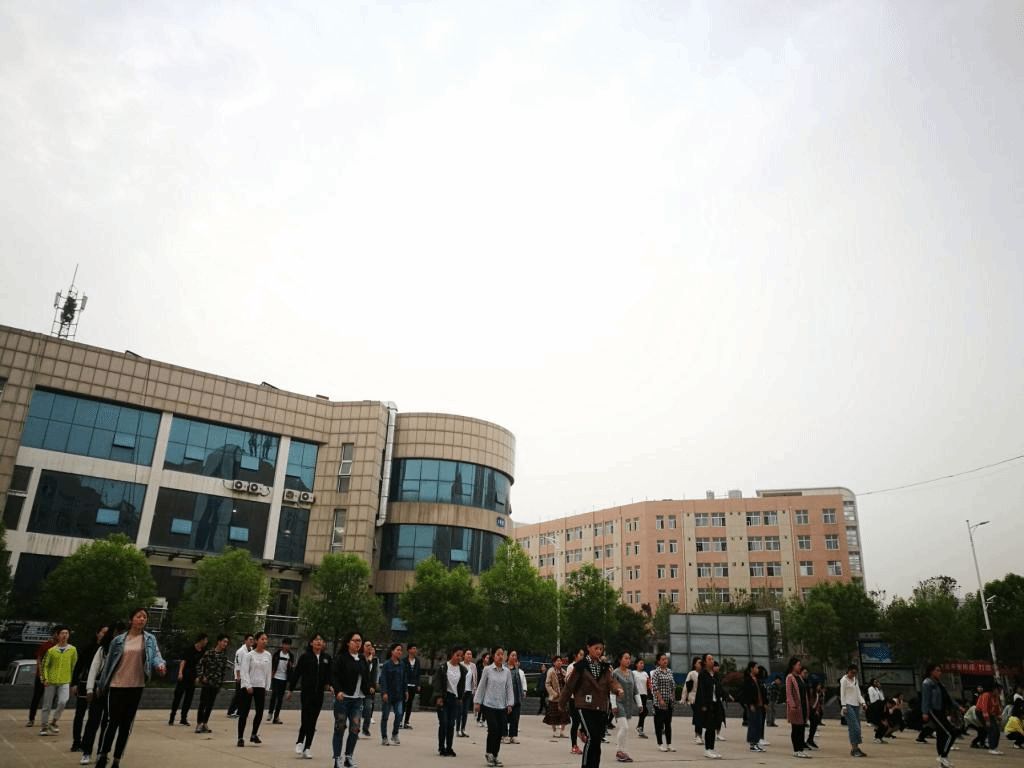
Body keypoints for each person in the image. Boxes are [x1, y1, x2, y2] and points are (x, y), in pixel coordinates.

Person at [94, 607, 166, 768]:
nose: (142, 619)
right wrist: (101, 685)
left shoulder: (149, 639)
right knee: (112, 722)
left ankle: (117, 759)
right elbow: (108, 665)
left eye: (144, 617)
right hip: (117, 685)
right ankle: (103, 755)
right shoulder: (118, 640)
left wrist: (160, 665)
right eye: (138, 616)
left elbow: (156, 656)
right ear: (131, 619)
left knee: (126, 725)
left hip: (136, 686)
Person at [560, 636, 624, 768]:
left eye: (601, 649)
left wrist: (618, 689)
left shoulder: (605, 667)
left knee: (597, 740)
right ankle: (586, 765)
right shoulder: (580, 667)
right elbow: (569, 686)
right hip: (584, 706)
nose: (599, 651)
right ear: (588, 648)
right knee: (592, 737)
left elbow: (611, 681)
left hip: (601, 707)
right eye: (596, 648)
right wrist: (561, 703)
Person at [79, 621, 125, 766]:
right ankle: (86, 751)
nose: (118, 636)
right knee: (93, 721)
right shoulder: (102, 650)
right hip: (99, 689)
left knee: (108, 724)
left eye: (121, 633)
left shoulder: (125, 651)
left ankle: (102, 752)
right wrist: (89, 689)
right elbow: (94, 669)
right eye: (116, 632)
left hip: (115, 690)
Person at [288, 632, 333, 759]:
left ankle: (307, 747)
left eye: (321, 640)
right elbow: (297, 673)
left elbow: (329, 675)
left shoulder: (326, 658)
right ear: (311, 643)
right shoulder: (305, 657)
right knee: (306, 717)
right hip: (307, 693)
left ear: (323, 644)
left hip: (319, 694)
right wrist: (291, 689)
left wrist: (330, 685)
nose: (318, 642)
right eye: (316, 639)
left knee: (313, 720)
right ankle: (300, 741)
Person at [332, 630, 372, 768]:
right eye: (355, 640)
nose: (357, 643)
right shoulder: (341, 658)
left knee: (355, 729)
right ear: (348, 642)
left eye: (359, 641)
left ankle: (349, 757)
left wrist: (369, 689)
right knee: (340, 728)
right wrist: (338, 691)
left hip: (357, 700)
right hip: (344, 699)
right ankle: (337, 758)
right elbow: (334, 676)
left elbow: (365, 678)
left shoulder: (362, 659)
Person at [475, 646, 515, 767]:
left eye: (502, 654)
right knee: (493, 729)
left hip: (501, 706)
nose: (500, 656)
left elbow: (509, 688)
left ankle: (495, 755)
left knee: (499, 731)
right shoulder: (487, 670)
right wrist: (477, 702)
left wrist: (509, 703)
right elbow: (481, 686)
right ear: (493, 656)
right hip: (488, 705)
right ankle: (489, 753)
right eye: (498, 654)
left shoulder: (506, 671)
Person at [71, 625, 108, 752]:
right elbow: (79, 666)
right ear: (97, 634)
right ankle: (76, 742)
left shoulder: (108, 649)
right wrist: (74, 683)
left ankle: (87, 743)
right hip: (85, 682)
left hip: (100, 685)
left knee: (94, 716)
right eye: (103, 632)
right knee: (80, 714)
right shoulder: (89, 648)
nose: (105, 635)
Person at [39, 625, 78, 737]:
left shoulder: (72, 650)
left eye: (66, 633)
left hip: (65, 680)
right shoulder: (51, 651)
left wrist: (74, 681)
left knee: (63, 701)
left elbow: (74, 665)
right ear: (58, 635)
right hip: (51, 681)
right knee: (47, 704)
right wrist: (44, 678)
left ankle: (54, 721)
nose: (64, 635)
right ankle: (44, 726)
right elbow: (45, 665)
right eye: (62, 633)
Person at [921, 663, 961, 768]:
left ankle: (943, 760)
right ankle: (943, 755)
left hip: (942, 711)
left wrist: (957, 706)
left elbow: (948, 698)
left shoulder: (939, 684)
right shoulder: (927, 683)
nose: (939, 673)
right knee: (951, 733)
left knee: (941, 734)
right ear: (931, 672)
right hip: (934, 711)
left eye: (940, 671)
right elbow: (925, 699)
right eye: (937, 670)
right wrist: (925, 712)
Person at [237, 630, 272, 747]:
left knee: (260, 711)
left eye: (266, 639)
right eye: (262, 639)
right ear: (256, 641)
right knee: (244, 712)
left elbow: (268, 672)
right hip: (249, 687)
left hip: (260, 686)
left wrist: (267, 687)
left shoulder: (268, 655)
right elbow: (244, 671)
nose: (264, 641)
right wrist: (248, 685)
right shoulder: (249, 655)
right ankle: (240, 737)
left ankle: (254, 734)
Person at [434, 645, 468, 756]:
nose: (459, 658)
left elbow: (462, 686)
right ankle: (441, 747)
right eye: (457, 655)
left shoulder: (463, 670)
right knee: (443, 723)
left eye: (461, 656)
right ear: (452, 654)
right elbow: (437, 683)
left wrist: (460, 698)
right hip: (444, 697)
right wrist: (438, 697)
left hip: (454, 699)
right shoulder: (443, 667)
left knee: (451, 724)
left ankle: (449, 747)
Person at [194, 634, 230, 734]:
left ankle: (205, 723)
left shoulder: (224, 656)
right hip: (207, 682)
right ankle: (199, 723)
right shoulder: (209, 653)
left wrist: (221, 683)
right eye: (224, 641)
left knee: (210, 704)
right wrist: (202, 677)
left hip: (216, 683)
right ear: (219, 641)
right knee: (203, 703)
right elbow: (199, 665)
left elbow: (223, 671)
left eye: (227, 642)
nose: (225, 644)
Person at [169, 632, 207, 727]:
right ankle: (172, 717)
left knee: (188, 698)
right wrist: (180, 673)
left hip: (193, 677)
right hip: (185, 674)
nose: (206, 642)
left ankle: (183, 718)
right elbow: (183, 661)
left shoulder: (203, 652)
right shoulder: (190, 649)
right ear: (201, 640)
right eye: (205, 640)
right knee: (178, 696)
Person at [27, 627, 60, 727]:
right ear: (54, 634)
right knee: (36, 697)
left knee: (51, 699)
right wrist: (40, 673)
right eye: (57, 633)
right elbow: (39, 658)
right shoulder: (45, 645)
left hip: (53, 677)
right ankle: (31, 719)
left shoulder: (62, 647)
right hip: (42, 676)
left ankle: (45, 719)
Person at [695, 653, 725, 759]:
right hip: (707, 705)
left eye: (712, 659)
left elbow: (718, 688)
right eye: (709, 659)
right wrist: (703, 705)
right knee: (709, 727)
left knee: (714, 726)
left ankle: (712, 748)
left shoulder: (715, 674)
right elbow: (701, 691)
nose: (712, 661)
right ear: (704, 662)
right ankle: (707, 749)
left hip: (715, 703)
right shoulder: (703, 674)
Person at [611, 650, 639, 762]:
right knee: (624, 727)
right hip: (619, 703)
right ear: (620, 660)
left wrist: (640, 704)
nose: (628, 660)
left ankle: (622, 750)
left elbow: (635, 690)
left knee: (625, 729)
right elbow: (612, 690)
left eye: (629, 658)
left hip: (628, 704)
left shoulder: (631, 673)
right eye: (626, 658)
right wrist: (613, 705)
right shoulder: (615, 673)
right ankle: (619, 751)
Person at [379, 642, 405, 746]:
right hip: (388, 695)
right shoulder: (386, 665)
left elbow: (404, 679)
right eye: (397, 650)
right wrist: (384, 692)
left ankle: (395, 734)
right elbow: (383, 679)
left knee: (399, 715)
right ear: (392, 651)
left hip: (399, 695)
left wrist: (406, 691)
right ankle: (384, 737)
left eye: (401, 650)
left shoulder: (402, 665)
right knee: (385, 716)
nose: (399, 652)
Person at [650, 651, 676, 752]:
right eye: (663, 659)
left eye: (666, 659)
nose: (665, 661)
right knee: (659, 724)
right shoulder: (656, 672)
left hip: (669, 701)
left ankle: (669, 744)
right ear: (658, 661)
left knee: (668, 723)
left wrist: (672, 696)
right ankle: (660, 743)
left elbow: (673, 685)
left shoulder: (669, 671)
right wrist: (660, 699)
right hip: (659, 702)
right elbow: (655, 687)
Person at [839, 664, 868, 757]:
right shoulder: (844, 680)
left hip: (855, 704)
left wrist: (863, 703)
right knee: (854, 726)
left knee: (858, 726)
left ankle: (856, 747)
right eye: (851, 672)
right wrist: (844, 706)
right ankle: (854, 748)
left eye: (855, 673)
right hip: (848, 704)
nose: (853, 675)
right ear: (848, 671)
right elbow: (842, 694)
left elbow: (858, 693)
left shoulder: (855, 680)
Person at [785, 656, 810, 759]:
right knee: (796, 729)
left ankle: (801, 749)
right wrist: (792, 705)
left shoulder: (799, 677)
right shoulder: (790, 677)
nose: (800, 667)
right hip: (795, 707)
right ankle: (797, 749)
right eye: (798, 665)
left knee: (801, 728)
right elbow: (789, 693)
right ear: (793, 666)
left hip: (802, 706)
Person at [226, 634, 254, 718]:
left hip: (248, 677)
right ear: (245, 641)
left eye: (252, 640)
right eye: (250, 639)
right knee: (238, 695)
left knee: (244, 696)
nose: (251, 641)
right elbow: (237, 664)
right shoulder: (240, 651)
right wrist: (238, 676)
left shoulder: (252, 650)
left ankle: (240, 711)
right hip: (240, 676)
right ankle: (231, 711)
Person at [739, 661, 766, 752]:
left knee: (759, 724)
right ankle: (752, 744)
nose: (757, 670)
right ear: (752, 668)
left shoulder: (758, 679)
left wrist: (764, 703)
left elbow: (762, 692)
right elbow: (746, 693)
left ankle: (756, 742)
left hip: (759, 705)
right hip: (752, 705)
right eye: (756, 668)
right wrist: (750, 704)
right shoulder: (748, 680)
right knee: (753, 724)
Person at [267, 637, 294, 724]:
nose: (286, 646)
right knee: (274, 695)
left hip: (284, 679)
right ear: (282, 645)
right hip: (276, 677)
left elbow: (291, 668)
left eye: (288, 645)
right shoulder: (277, 654)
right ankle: (270, 712)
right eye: (285, 644)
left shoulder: (291, 656)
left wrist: (290, 680)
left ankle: (276, 717)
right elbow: (272, 664)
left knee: (280, 698)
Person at [543, 655, 570, 737]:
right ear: (554, 662)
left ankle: (562, 731)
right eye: (557, 661)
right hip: (554, 697)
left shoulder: (564, 672)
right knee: (554, 715)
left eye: (560, 661)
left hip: (563, 697)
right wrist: (553, 693)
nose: (559, 662)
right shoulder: (551, 671)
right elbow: (547, 684)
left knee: (564, 715)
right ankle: (554, 731)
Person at [566, 648, 585, 754]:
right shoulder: (571, 667)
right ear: (576, 656)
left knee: (584, 719)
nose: (582, 657)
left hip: (583, 698)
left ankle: (582, 732)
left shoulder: (584, 667)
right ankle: (574, 745)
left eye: (583, 655)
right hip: (574, 698)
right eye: (580, 655)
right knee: (576, 722)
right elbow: (569, 681)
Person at [976, 680, 1004, 755]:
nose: (1000, 692)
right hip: (981, 712)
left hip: (990, 714)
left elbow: (997, 708)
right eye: (999, 690)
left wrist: (998, 716)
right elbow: (984, 708)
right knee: (992, 729)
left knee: (997, 730)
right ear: (994, 689)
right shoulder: (987, 695)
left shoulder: (996, 697)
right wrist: (987, 720)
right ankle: (992, 748)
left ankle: (994, 747)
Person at [506, 650, 528, 743]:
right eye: (512, 655)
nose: (514, 657)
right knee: (505, 717)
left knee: (515, 717)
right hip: (505, 697)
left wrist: (522, 692)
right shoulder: (504, 668)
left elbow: (520, 682)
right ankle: (504, 735)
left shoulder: (517, 670)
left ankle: (513, 735)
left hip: (516, 696)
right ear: (508, 656)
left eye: (515, 655)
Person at [359, 640, 379, 737]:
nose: (369, 647)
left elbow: (374, 673)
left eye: (370, 645)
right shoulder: (360, 658)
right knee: (357, 711)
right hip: (360, 688)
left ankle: (365, 729)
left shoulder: (374, 660)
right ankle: (356, 729)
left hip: (369, 689)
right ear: (363, 647)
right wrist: (369, 661)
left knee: (368, 709)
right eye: (367, 645)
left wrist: (373, 686)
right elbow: (363, 672)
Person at [401, 644, 421, 729]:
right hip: (405, 685)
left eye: (415, 648)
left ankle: (406, 722)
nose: (415, 650)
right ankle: (399, 721)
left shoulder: (417, 661)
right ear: (409, 650)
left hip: (413, 685)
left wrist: (418, 684)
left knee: (410, 704)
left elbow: (418, 673)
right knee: (403, 703)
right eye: (413, 648)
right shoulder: (404, 660)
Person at [458, 649, 477, 737]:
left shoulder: (473, 666)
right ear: (464, 655)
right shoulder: (460, 665)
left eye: (470, 654)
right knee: (459, 711)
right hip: (461, 691)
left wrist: (474, 690)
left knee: (465, 712)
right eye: (467, 654)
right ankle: (458, 729)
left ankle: (463, 729)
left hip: (469, 691)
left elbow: (475, 679)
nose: (469, 656)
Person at [683, 656, 702, 743]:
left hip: (702, 698)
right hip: (693, 697)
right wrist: (684, 698)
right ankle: (698, 735)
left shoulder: (703, 673)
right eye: (699, 663)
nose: (700, 664)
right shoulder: (691, 674)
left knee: (699, 716)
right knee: (698, 715)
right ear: (695, 664)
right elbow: (686, 686)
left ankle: (698, 734)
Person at [632, 658, 650, 739]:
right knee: (643, 710)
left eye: (643, 663)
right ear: (636, 664)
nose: (642, 665)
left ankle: (640, 727)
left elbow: (648, 683)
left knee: (644, 711)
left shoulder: (645, 673)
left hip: (644, 694)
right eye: (640, 663)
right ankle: (640, 728)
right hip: (637, 694)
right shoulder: (633, 673)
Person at [807, 680, 824, 749]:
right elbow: (811, 702)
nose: (820, 687)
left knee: (814, 725)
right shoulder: (812, 692)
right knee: (813, 724)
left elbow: (820, 702)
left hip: (816, 710)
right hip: (811, 710)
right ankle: (810, 739)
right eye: (818, 685)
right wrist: (813, 709)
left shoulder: (818, 693)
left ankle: (811, 739)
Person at [476, 652, 491, 726]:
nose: (488, 659)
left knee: (486, 704)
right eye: (487, 658)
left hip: (488, 688)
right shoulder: (479, 668)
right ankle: (479, 718)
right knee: (480, 703)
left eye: (489, 658)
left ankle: (484, 719)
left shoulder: (490, 668)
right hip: (481, 687)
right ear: (483, 659)